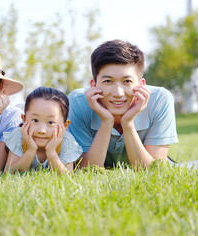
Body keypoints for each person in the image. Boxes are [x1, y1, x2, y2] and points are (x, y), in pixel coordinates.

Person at [68, 39, 180, 169]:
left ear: (141, 84)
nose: (118, 93)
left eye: (127, 81)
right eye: (108, 81)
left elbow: (154, 170)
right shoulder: (78, 102)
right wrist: (106, 122)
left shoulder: (160, 100)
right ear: (93, 85)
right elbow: (85, 169)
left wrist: (128, 123)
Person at [3, 87, 82, 174]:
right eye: (35, 121)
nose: (42, 130)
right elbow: (9, 172)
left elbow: (67, 177)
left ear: (65, 125)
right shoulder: (19, 136)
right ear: (24, 119)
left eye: (50, 122)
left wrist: (51, 152)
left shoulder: (66, 141)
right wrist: (30, 150)